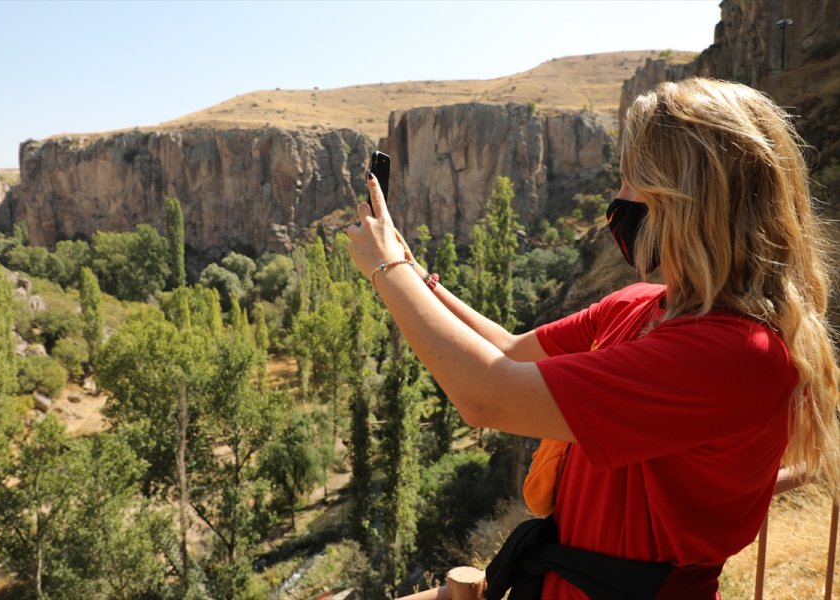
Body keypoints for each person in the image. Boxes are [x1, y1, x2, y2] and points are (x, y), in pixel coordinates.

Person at [346, 77, 839, 599]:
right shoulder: (639, 306)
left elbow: (486, 394)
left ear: (691, 202)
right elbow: (510, 350)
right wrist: (413, 268)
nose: (617, 201)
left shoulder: (734, 356)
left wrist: (387, 269)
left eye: (631, 183)